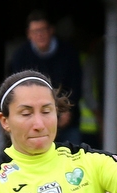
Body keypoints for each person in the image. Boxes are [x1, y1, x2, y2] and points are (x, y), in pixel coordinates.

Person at [8, 10, 83, 145]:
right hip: (34, 120)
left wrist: (67, 110)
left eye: (43, 30)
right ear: (29, 34)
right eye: (35, 31)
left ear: (51, 30)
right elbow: (16, 89)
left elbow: (76, 84)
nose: (40, 35)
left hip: (67, 119)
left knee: (72, 158)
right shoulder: (20, 56)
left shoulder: (69, 53)